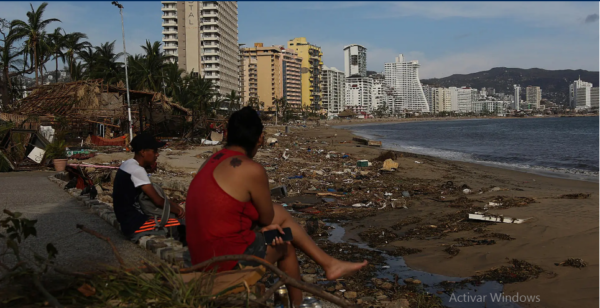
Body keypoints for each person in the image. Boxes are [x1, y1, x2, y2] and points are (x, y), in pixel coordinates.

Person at [186, 107, 367, 306]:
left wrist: (262, 227)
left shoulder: (209, 161)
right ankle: (300, 301)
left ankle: (329, 264)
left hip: (200, 257)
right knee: (284, 242)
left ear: (227, 134)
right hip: (225, 263)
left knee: (280, 217)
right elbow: (265, 218)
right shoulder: (251, 169)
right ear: (260, 138)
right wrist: (264, 228)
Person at [112, 133, 186, 241]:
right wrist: (179, 211)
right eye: (155, 151)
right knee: (182, 223)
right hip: (135, 225)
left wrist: (175, 206)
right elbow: (158, 201)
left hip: (126, 219)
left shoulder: (127, 164)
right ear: (143, 152)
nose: (157, 154)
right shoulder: (138, 170)